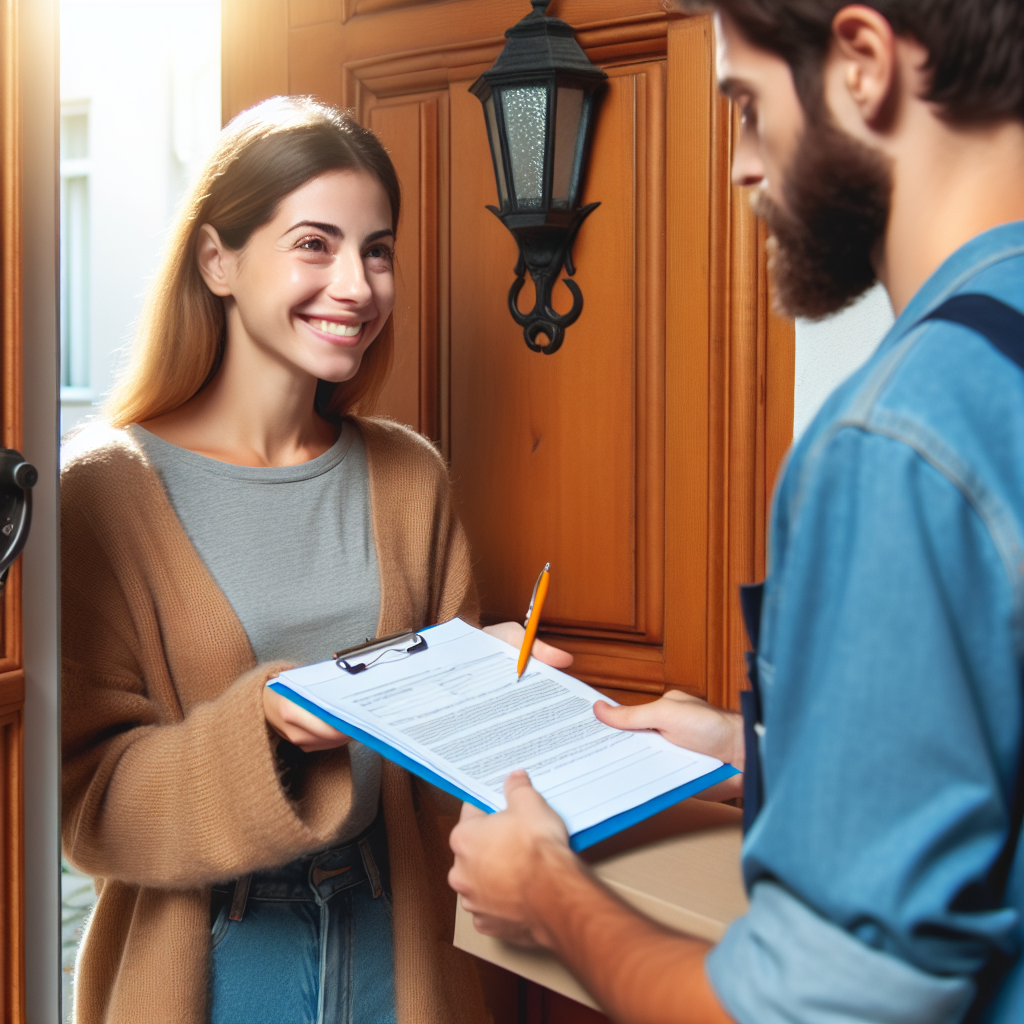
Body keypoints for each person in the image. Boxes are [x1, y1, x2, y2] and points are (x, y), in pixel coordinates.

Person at [448, 2, 1024, 1022]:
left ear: (861, 63)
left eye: (750, 109)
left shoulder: (894, 443)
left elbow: (819, 1009)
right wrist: (754, 746)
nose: (739, 168)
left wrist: (548, 896)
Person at [60, 96, 570, 1024]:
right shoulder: (101, 491)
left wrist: (494, 687)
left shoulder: (410, 476)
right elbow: (87, 807)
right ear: (218, 259)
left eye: (377, 250)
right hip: (215, 962)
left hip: (402, 941)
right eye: (314, 244)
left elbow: (447, 777)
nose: (357, 284)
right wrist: (270, 726)